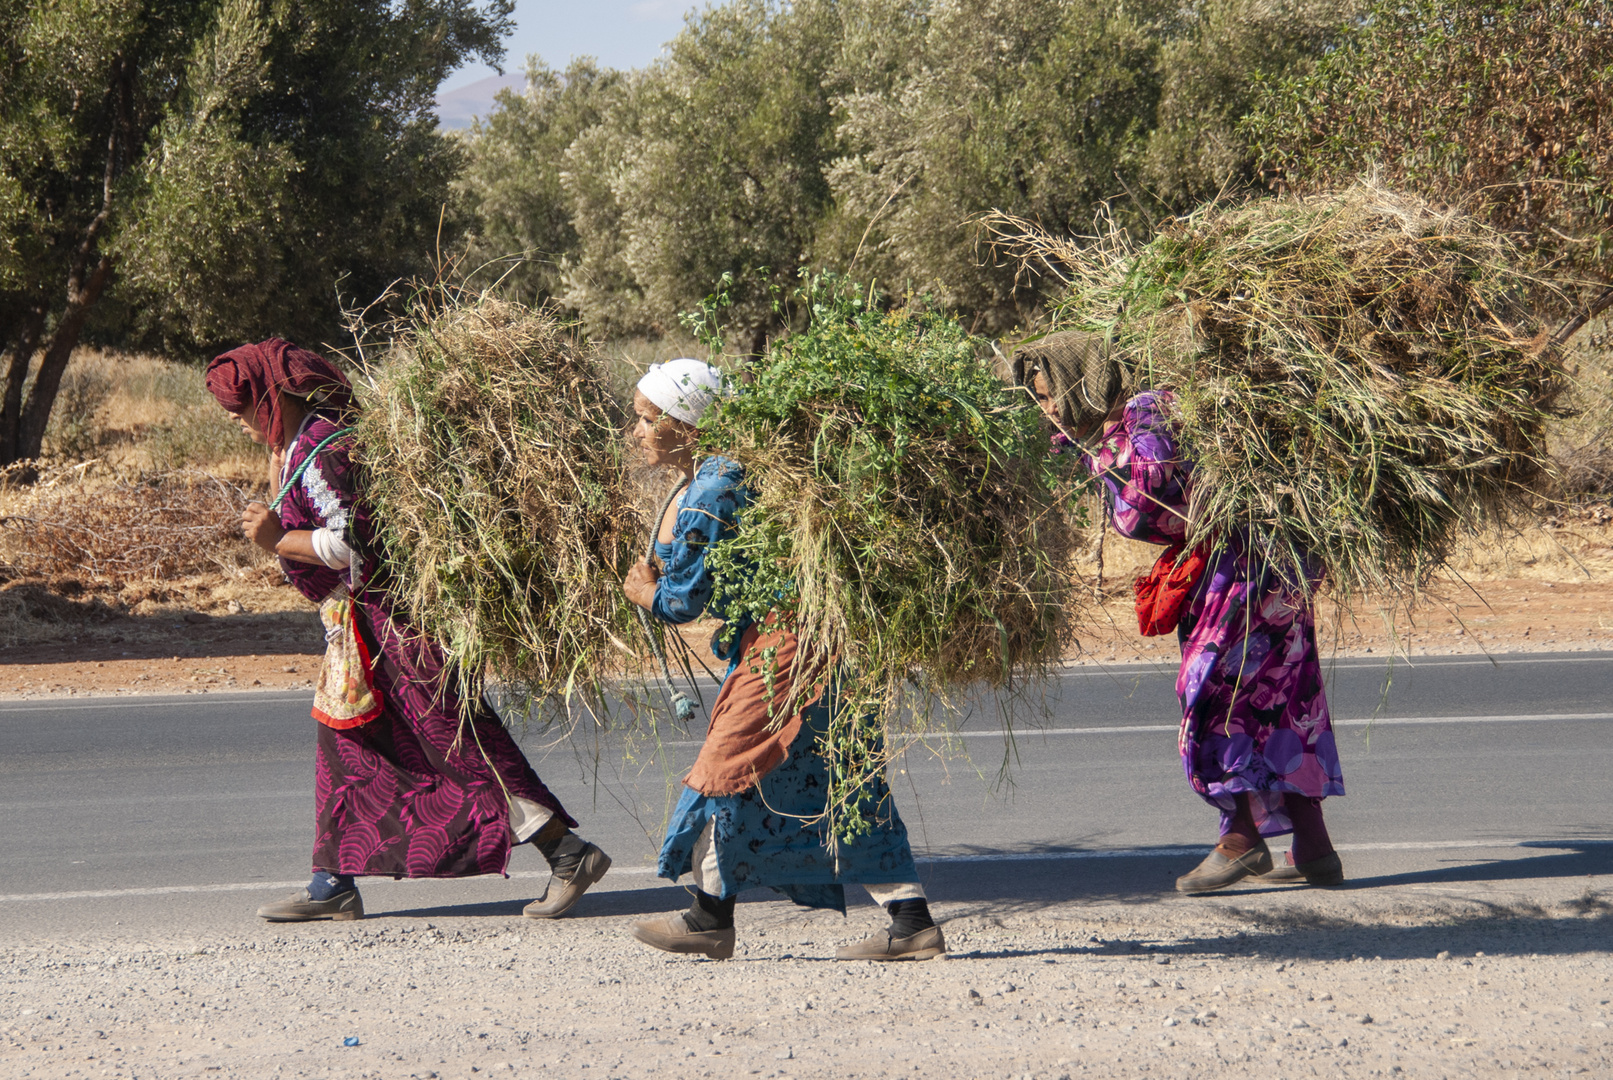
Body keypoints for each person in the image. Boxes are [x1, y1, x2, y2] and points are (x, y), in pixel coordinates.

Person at [206, 338, 611, 922]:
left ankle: (567, 854)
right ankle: (331, 883)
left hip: (393, 627)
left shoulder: (324, 447)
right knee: (345, 749)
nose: (239, 424)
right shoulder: (299, 446)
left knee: (458, 741)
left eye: (242, 411)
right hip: (357, 630)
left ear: (272, 396)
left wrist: (277, 539)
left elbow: (351, 542)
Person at [620, 359, 946, 961]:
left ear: (686, 425)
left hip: (787, 648)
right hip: (818, 639)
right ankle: (910, 921)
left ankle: (709, 918)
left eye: (645, 420)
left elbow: (683, 600)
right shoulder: (724, 474)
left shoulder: (715, 489)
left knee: (724, 768)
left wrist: (645, 591)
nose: (636, 433)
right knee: (841, 777)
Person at [1016, 331, 1346, 892]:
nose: (1048, 408)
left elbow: (1147, 499)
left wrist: (1098, 458)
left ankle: (1240, 838)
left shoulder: (1148, 412)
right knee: (1282, 699)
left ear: (1077, 381)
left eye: (1050, 394)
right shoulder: (1127, 424)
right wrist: (1082, 447)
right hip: (1259, 569)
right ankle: (1313, 848)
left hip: (1243, 571)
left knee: (1214, 694)